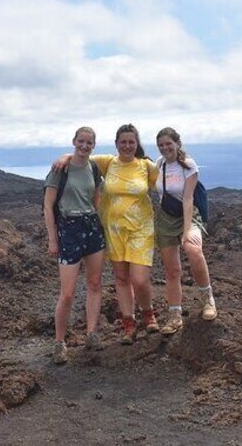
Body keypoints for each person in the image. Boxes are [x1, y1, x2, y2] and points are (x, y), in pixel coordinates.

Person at [54, 124, 160, 344]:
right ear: (116, 144)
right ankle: (129, 324)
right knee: (121, 279)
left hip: (140, 229)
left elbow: (168, 182)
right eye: (123, 142)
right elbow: (82, 157)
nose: (127, 146)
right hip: (113, 229)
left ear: (136, 143)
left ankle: (148, 314)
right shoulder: (108, 163)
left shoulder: (146, 166)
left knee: (139, 279)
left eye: (131, 142)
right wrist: (65, 156)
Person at [43, 126, 106, 364]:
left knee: (94, 282)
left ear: (93, 145)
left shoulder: (93, 167)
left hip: (90, 226)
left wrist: (96, 220)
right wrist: (52, 238)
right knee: (67, 292)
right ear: (74, 141)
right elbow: (48, 206)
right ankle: (59, 342)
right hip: (68, 228)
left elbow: (96, 197)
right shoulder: (61, 169)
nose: (84, 146)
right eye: (81, 141)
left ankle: (91, 334)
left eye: (89, 143)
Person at [153, 127, 217, 335]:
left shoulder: (188, 165)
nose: (165, 148)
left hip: (188, 214)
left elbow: (188, 198)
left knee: (193, 250)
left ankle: (207, 299)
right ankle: (174, 315)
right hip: (165, 218)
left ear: (177, 143)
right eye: (161, 145)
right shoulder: (159, 164)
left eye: (168, 144)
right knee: (172, 270)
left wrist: (187, 229)